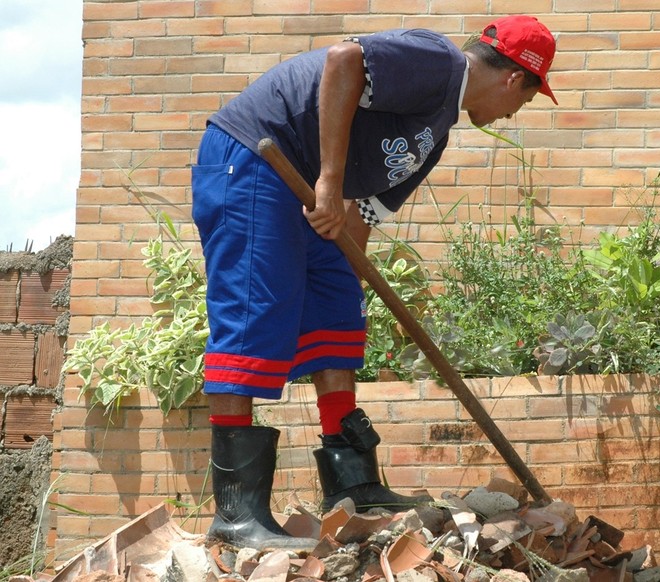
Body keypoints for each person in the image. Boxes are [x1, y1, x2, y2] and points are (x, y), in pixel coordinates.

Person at [190, 15, 558, 550]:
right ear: (512, 79)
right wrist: (330, 180)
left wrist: (345, 272)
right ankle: (237, 514)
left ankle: (353, 485)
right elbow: (345, 60)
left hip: (306, 190)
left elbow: (359, 222)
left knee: (337, 310)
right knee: (255, 314)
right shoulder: (439, 62)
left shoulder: (433, 135)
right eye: (524, 101)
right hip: (254, 160)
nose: (514, 113)